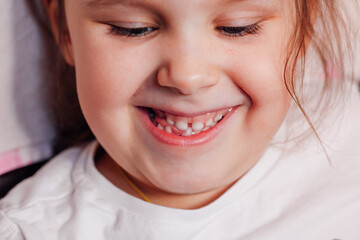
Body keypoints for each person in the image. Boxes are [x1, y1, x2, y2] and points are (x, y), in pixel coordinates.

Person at [0, 0, 359, 239]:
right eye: (132, 28)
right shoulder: (28, 230)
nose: (187, 76)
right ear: (65, 31)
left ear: (305, 25)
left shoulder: (350, 135)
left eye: (238, 27)